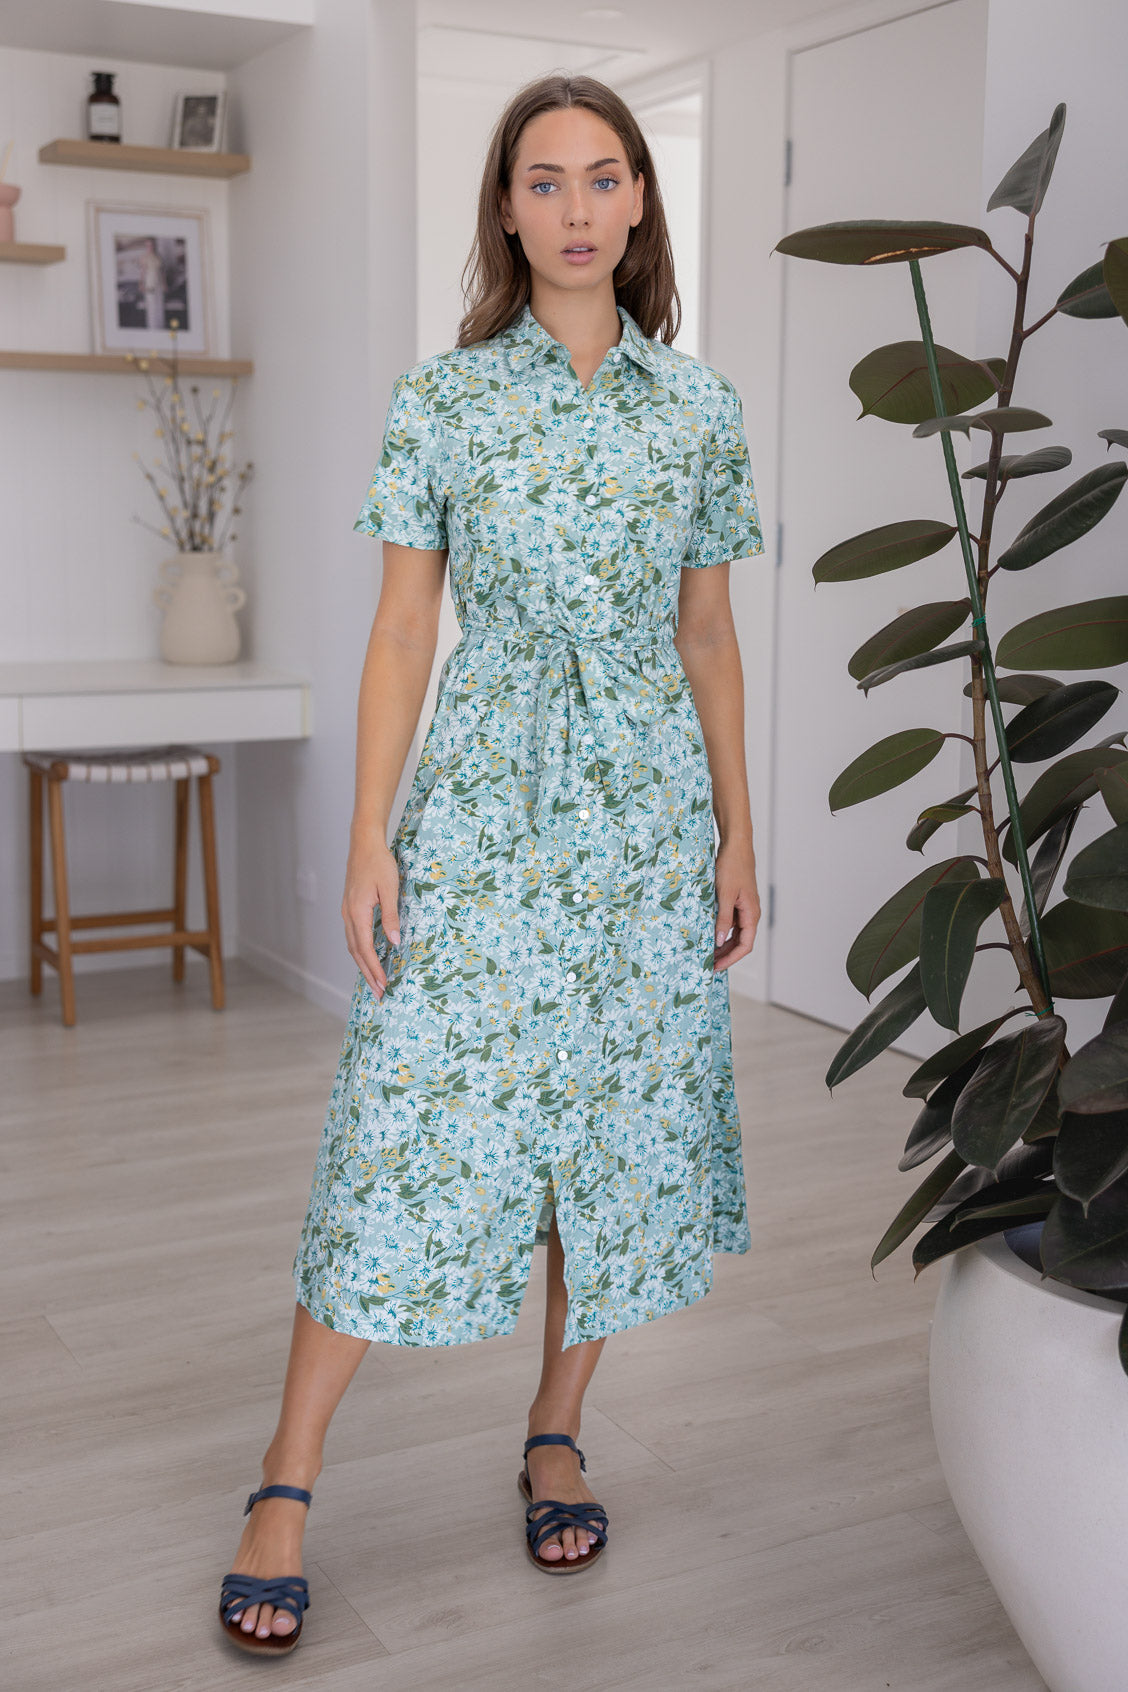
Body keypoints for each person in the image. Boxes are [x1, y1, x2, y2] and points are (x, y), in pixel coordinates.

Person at [218, 70, 764, 1656]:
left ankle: (555, 1430)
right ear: (507, 210)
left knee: (611, 1125)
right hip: (479, 801)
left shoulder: (700, 409)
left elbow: (708, 635)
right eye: (546, 181)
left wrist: (738, 829)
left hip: (646, 814)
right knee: (404, 1117)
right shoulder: (442, 400)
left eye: (604, 178)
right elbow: (405, 631)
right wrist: (367, 834)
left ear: (640, 201)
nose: (577, 209)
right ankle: (286, 1475)